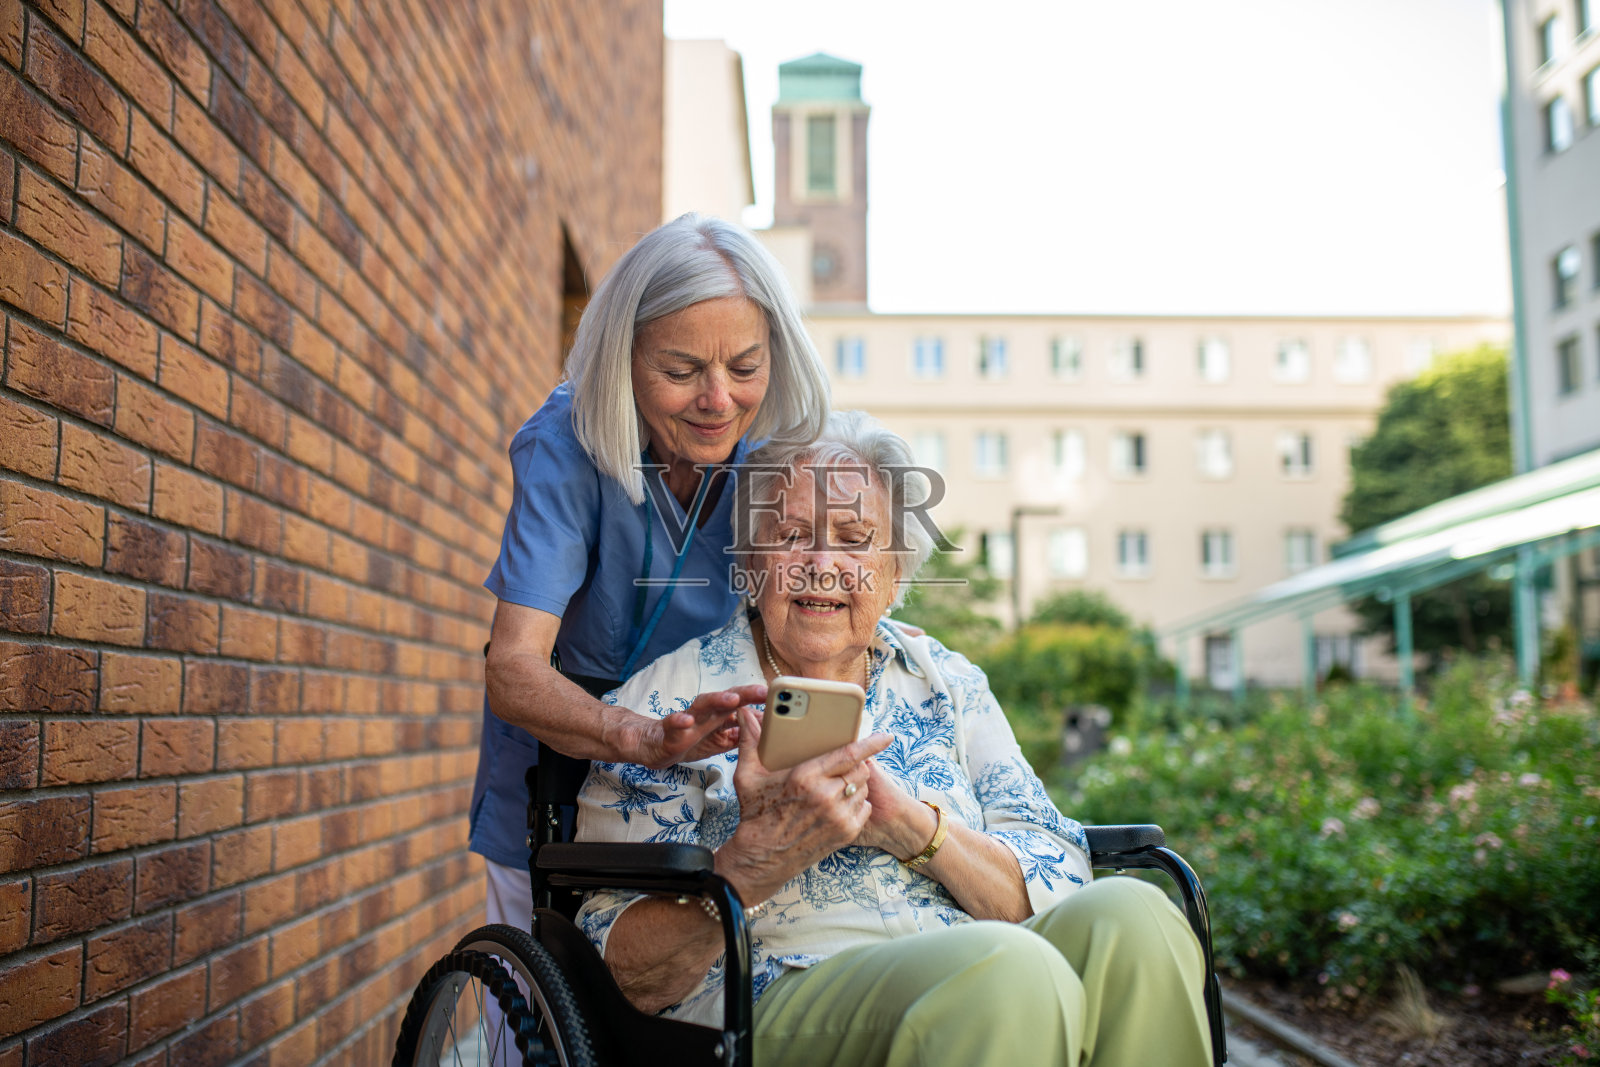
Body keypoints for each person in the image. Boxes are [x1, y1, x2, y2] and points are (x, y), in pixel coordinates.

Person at [574, 412, 1213, 1066]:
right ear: (750, 558)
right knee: (1006, 969)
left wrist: (910, 827)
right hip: (774, 999)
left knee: (1136, 917)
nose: (823, 565)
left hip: (989, 960)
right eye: (793, 535)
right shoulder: (666, 707)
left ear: (896, 568)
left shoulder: (948, 681)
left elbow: (1057, 870)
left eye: (854, 539)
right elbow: (614, 971)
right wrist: (750, 865)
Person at [471, 213, 830, 935]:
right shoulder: (566, 445)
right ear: (622, 358)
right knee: (551, 1009)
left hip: (713, 772)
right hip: (565, 761)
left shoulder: (773, 452)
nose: (719, 399)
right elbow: (513, 668)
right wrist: (637, 736)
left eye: (746, 366)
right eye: (680, 370)